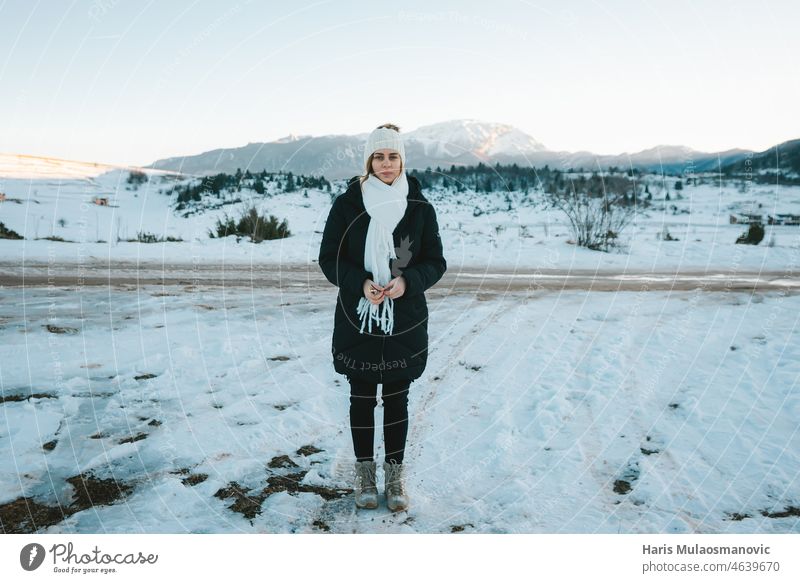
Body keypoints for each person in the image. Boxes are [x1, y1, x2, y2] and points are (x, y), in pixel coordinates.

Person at [318, 123, 447, 511]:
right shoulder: (347, 205)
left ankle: (394, 479)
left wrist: (408, 282)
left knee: (396, 399)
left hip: (404, 317)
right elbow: (329, 258)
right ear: (368, 161)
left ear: (402, 159)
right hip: (358, 317)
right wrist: (359, 283)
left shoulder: (420, 207)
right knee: (360, 397)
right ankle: (363, 477)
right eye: (379, 156)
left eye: (393, 156)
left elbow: (435, 261)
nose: (386, 164)